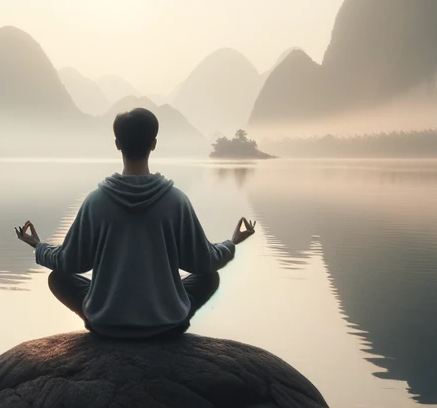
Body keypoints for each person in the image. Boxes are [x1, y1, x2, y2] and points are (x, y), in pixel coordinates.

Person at [15, 107, 256, 338]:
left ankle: (101, 319)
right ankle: (168, 317)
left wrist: (38, 246)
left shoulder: (95, 202)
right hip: (167, 325)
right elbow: (205, 261)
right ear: (154, 144)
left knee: (58, 278)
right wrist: (232, 242)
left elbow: (68, 262)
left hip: (105, 324)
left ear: (117, 144)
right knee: (210, 277)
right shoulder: (176, 201)